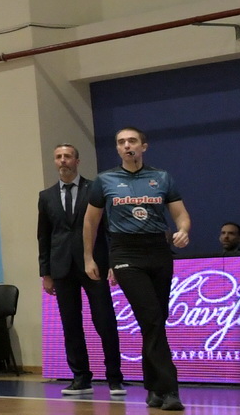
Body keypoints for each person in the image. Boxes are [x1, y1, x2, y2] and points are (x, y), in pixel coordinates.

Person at [84, 127, 190, 412]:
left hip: (158, 249)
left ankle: (153, 388)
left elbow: (180, 213)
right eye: (121, 142)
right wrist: (89, 258)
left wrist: (183, 230)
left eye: (132, 141)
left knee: (155, 321)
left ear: (144, 146)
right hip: (125, 252)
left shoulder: (161, 177)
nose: (126, 145)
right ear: (117, 149)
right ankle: (169, 390)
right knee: (151, 318)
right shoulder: (105, 180)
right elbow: (91, 222)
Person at [38, 143, 123, 398]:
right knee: (70, 324)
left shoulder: (95, 189)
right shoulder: (46, 196)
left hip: (94, 263)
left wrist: (113, 263)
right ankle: (81, 378)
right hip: (62, 267)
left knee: (104, 320)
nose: (63, 160)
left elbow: (109, 229)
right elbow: (43, 236)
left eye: (67, 156)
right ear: (55, 162)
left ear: (77, 161)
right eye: (58, 157)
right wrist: (45, 273)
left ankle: (114, 378)